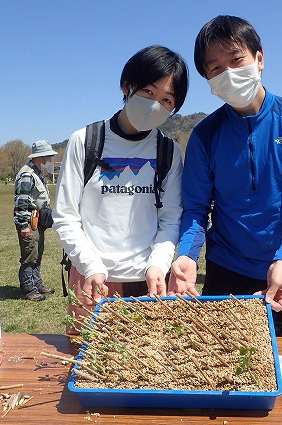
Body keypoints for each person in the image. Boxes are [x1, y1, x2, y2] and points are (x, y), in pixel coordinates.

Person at [169, 15, 282, 337]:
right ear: (207, 79)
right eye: (215, 68)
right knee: (221, 367)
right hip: (226, 271)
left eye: (236, 59)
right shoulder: (205, 135)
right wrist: (187, 255)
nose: (227, 72)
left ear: (259, 59)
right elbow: (197, 209)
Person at [53, 45, 188, 330]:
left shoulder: (168, 151)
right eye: (149, 92)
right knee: (88, 363)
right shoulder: (85, 141)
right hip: (93, 280)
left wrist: (158, 266)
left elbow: (171, 218)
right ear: (127, 86)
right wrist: (90, 265)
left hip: (149, 283)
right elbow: (65, 216)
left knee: (147, 366)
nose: (155, 105)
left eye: (166, 100)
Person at [14, 140, 57, 301]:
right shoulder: (27, 174)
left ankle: (37, 284)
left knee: (37, 253)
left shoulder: (36, 173)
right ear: (41, 157)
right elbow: (21, 202)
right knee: (29, 256)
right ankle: (28, 289)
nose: (49, 160)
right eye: (48, 156)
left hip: (37, 220)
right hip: (29, 221)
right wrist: (23, 225)